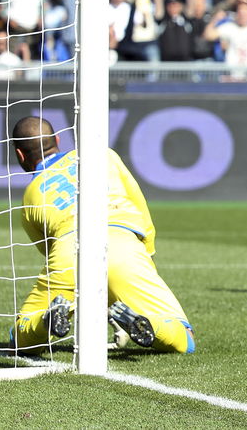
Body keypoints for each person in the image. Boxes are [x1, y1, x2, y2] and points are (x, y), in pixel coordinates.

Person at [11, 117, 195, 355]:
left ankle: (46, 322)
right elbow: (139, 205)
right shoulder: (104, 156)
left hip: (68, 252)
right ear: (57, 139)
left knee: (19, 338)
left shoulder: (31, 195)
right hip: (123, 245)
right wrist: (146, 254)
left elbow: (49, 251)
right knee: (184, 339)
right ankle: (149, 325)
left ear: (20, 155)